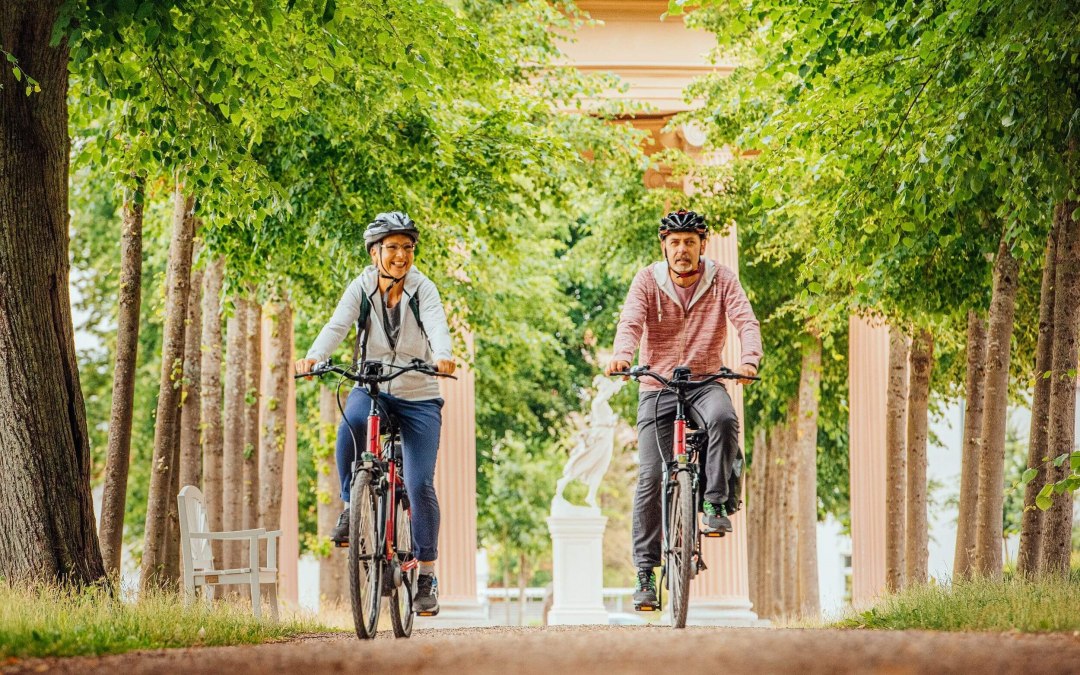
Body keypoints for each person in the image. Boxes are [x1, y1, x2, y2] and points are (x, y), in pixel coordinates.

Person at [294, 211, 455, 616]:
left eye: (407, 248)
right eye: (392, 248)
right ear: (374, 253)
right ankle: (352, 504)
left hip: (419, 392)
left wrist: (443, 356)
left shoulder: (423, 290)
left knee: (418, 485)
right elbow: (337, 325)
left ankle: (426, 575)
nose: (401, 255)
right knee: (350, 425)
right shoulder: (362, 287)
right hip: (375, 387)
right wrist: (316, 357)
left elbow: (437, 325)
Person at [604, 209, 762, 611]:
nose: (682, 249)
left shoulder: (722, 278)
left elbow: (745, 320)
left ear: (701, 246)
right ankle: (645, 572)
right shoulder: (647, 280)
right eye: (674, 242)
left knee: (724, 419)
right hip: (656, 385)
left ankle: (712, 502)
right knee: (648, 478)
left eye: (689, 242)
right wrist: (623, 357)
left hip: (706, 381)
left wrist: (749, 360)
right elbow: (631, 323)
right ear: (664, 246)